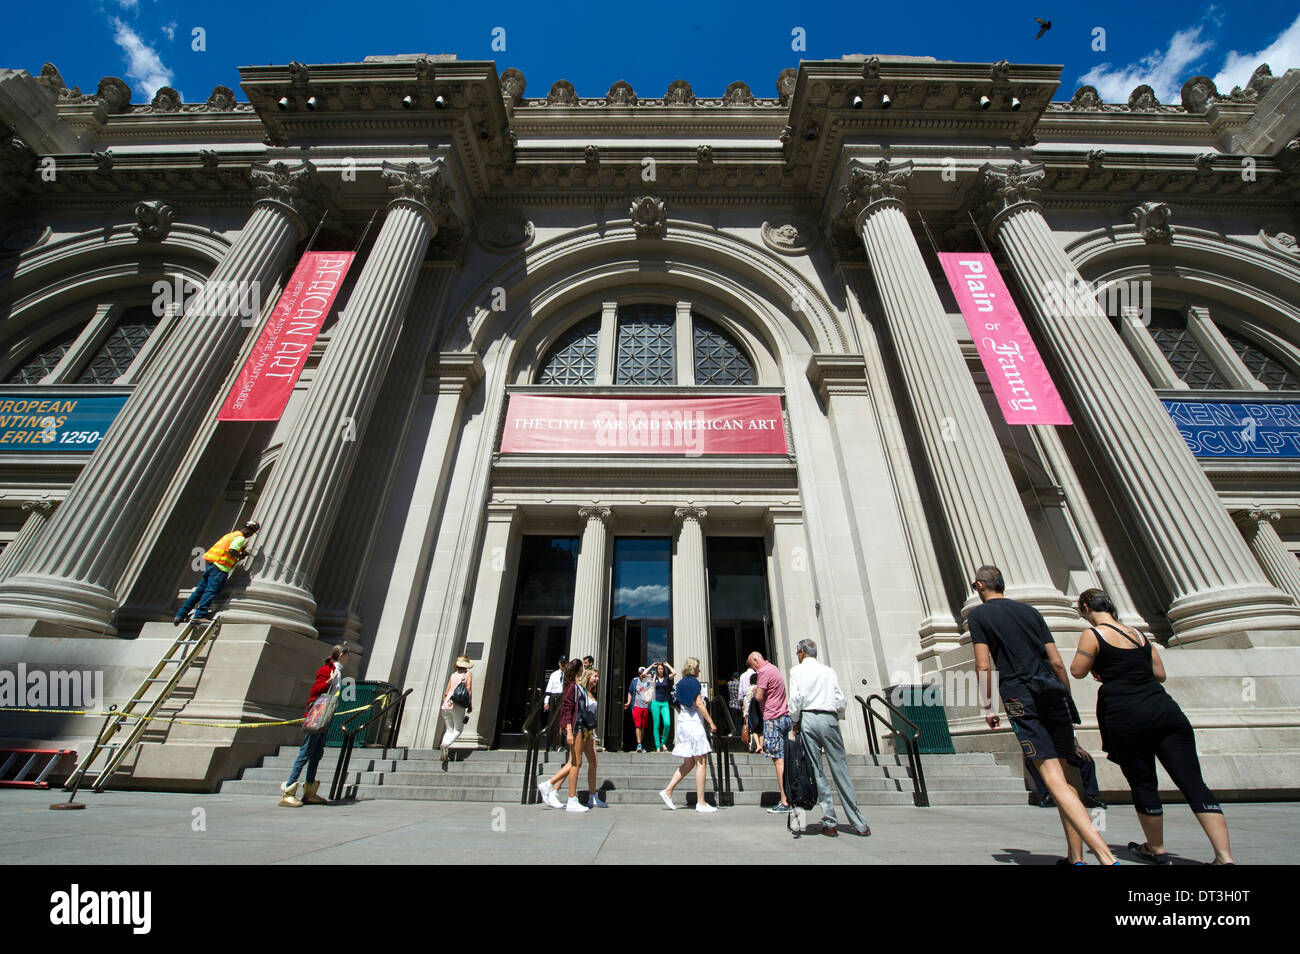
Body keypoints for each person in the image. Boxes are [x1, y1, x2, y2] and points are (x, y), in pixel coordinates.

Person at [1072, 588, 1234, 865]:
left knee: (1143, 782)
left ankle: (1156, 849)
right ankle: (1224, 857)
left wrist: (1105, 668)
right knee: (1194, 783)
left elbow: (1077, 670)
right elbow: (1160, 674)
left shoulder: (1094, 634)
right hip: (1165, 710)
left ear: (1087, 607)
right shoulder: (1137, 634)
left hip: (1126, 714)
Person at [969, 565, 1117, 865]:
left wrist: (987, 706)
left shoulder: (979, 616)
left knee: (1052, 778)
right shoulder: (1032, 613)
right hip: (1052, 691)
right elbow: (1057, 662)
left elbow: (983, 665)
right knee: (1066, 778)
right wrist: (1066, 697)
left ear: (980, 585)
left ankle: (1104, 855)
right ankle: (1075, 857)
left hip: (1020, 695)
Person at [788, 639, 870, 837]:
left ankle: (830, 821)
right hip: (829, 717)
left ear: (801, 652)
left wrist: (795, 721)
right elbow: (840, 699)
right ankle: (859, 823)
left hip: (808, 717)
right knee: (840, 768)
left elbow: (795, 699)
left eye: (797, 652)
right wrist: (836, 716)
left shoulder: (796, 671)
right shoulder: (828, 671)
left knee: (818, 771)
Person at [280, 643, 347, 807]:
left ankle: (309, 792)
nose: (348, 658)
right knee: (305, 752)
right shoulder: (326, 670)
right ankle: (288, 791)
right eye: (347, 655)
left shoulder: (338, 671)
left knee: (316, 753)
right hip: (317, 715)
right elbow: (315, 690)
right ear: (341, 655)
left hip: (326, 716)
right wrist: (327, 682)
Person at [658, 657, 719, 812]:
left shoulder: (680, 684)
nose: (699, 670)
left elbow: (677, 703)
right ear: (693, 668)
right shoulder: (694, 683)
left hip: (683, 724)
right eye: (698, 667)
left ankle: (668, 791)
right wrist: (711, 722)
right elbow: (699, 704)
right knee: (701, 762)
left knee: (689, 763)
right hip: (693, 725)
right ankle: (701, 802)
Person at [174, 521, 260, 624]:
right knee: (211, 591)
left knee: (199, 591)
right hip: (220, 568)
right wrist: (241, 555)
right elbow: (232, 550)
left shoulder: (232, 535)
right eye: (252, 533)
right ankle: (199, 615)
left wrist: (240, 550)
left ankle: (180, 614)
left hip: (211, 565)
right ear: (250, 531)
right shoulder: (240, 538)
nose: (251, 535)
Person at [538, 659, 591, 812]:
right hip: (574, 727)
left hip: (580, 726)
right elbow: (567, 709)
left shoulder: (577, 686)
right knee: (576, 762)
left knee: (574, 761)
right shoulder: (571, 687)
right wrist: (568, 730)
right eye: (582, 666)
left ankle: (550, 787)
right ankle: (571, 798)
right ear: (579, 668)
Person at [748, 650, 792, 813]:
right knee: (783, 757)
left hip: (773, 718)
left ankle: (784, 800)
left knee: (778, 759)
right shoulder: (774, 668)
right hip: (783, 716)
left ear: (756, 660)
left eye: (753, 666)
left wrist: (754, 690)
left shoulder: (764, 672)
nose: (754, 670)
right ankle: (788, 796)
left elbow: (759, 697)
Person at [439, 654, 473, 763]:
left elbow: (446, 692)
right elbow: (468, 689)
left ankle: (444, 749)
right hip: (457, 705)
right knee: (458, 729)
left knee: (449, 729)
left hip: (446, 705)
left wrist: (445, 702)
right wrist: (470, 704)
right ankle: (446, 745)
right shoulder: (468, 674)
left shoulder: (453, 675)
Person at [624, 666, 655, 752]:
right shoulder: (634, 681)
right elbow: (630, 691)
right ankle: (639, 744)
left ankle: (640, 744)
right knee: (638, 724)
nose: (642, 675)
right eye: (640, 673)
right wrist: (628, 702)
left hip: (645, 706)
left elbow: (652, 692)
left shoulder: (648, 681)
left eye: (643, 673)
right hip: (636, 705)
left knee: (643, 726)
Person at [649, 661, 676, 752]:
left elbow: (675, 673)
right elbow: (644, 673)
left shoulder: (666, 678)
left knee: (667, 723)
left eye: (661, 669)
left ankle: (663, 742)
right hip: (655, 702)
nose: (660, 670)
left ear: (663, 670)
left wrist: (668, 665)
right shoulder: (653, 677)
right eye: (658, 669)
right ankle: (657, 746)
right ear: (657, 670)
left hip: (664, 703)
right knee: (656, 725)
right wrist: (652, 666)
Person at [542, 655, 567, 751]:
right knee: (553, 721)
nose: (563, 664)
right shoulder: (554, 674)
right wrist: (546, 702)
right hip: (554, 697)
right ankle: (552, 744)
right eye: (562, 663)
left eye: (565, 663)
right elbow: (549, 688)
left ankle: (561, 744)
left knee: (563, 721)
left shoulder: (568, 675)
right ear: (559, 663)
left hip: (563, 697)